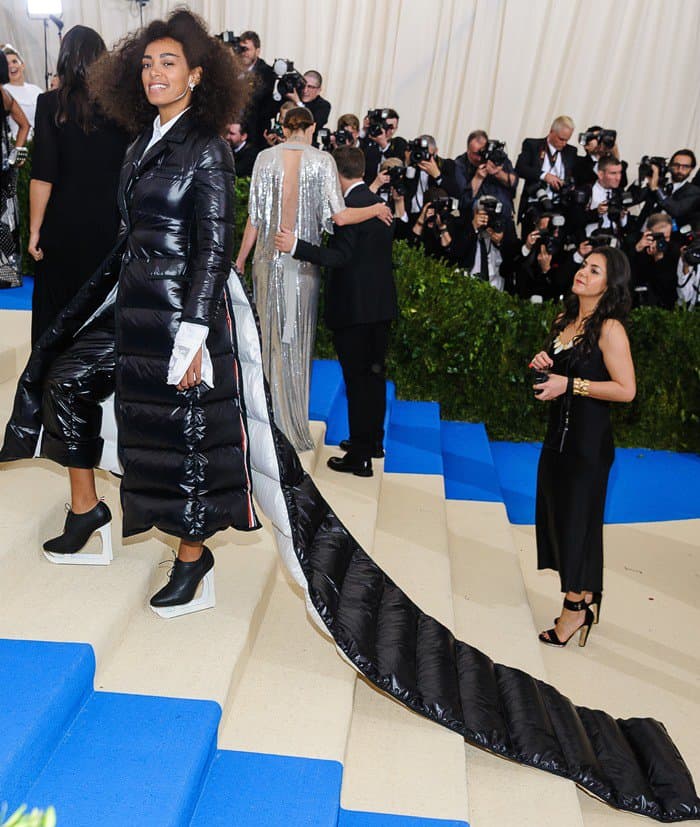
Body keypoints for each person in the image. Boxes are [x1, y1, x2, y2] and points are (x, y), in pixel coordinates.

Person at [1, 9, 253, 617]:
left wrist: (193, 336)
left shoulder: (207, 147)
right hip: (132, 305)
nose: (153, 73)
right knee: (66, 380)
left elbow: (215, 248)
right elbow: (134, 231)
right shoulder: (143, 141)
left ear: (197, 75)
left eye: (168, 63)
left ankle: (193, 557)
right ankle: (87, 511)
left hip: (179, 318)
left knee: (183, 432)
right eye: (146, 64)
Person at [234, 106, 392, 451]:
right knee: (295, 344)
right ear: (312, 127)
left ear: (283, 127)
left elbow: (254, 218)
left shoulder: (264, 158)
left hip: (266, 260)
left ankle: (265, 423)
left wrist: (241, 259)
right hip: (302, 267)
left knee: (267, 344)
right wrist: (377, 207)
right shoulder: (323, 161)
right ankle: (290, 426)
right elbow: (340, 215)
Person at [530, 246, 636, 647]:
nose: (583, 273)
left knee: (577, 523)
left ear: (609, 286)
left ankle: (574, 609)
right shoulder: (565, 320)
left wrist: (570, 384)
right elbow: (560, 378)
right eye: (584, 266)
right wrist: (544, 366)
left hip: (588, 444)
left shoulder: (610, 329)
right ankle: (586, 593)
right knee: (558, 517)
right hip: (557, 436)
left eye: (594, 271)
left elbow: (626, 390)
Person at [274, 145, 397, 477]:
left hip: (355, 312)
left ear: (335, 173)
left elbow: (339, 256)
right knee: (372, 380)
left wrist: (295, 246)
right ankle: (371, 442)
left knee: (358, 383)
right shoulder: (375, 206)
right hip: (380, 308)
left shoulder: (352, 207)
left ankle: (359, 459)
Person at [27, 26, 129, 344]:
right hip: (107, 224)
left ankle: (48, 383)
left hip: (62, 224)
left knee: (55, 310)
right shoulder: (120, 108)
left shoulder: (49, 104)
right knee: (98, 308)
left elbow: (44, 175)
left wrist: (34, 231)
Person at [0, 51, 29, 288]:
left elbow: (25, 125)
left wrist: (15, 155)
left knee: (5, 221)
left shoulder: (3, 94)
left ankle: (6, 275)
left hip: (4, 169)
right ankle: (6, 275)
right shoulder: (3, 94)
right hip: (4, 166)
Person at [515, 115, 577, 224]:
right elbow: (520, 168)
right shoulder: (533, 145)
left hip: (559, 205)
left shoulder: (571, 151)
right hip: (535, 203)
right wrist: (545, 176)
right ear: (551, 131)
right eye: (561, 139)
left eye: (567, 140)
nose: (564, 144)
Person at [2, 45, 42, 139]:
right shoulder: (5, 92)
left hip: (41, 144)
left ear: (22, 65)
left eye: (14, 61)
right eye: (7, 64)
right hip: (19, 146)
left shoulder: (36, 89)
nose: (11, 66)